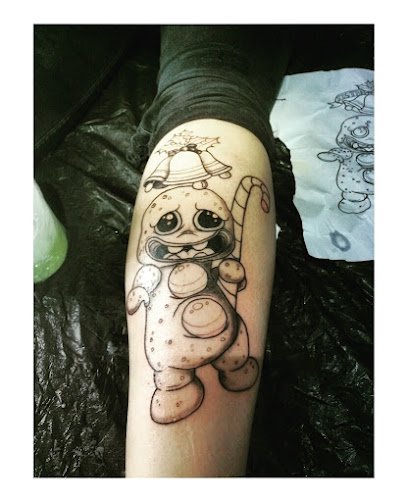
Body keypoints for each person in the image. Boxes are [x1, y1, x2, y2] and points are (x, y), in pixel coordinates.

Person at [124, 25, 293, 477]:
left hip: (221, 325)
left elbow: (210, 94)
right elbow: (208, 93)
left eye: (203, 219)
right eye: (170, 223)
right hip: (173, 340)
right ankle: (175, 383)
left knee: (209, 81)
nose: (187, 232)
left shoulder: (219, 254)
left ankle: (231, 365)